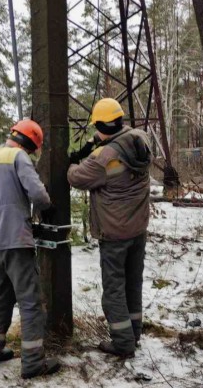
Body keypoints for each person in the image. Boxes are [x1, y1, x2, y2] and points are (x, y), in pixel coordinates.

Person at [67, 98, 152, 358]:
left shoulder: (105, 158)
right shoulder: (141, 141)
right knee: (132, 284)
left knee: (114, 290)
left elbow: (75, 177)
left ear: (103, 125)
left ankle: (123, 343)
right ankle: (133, 333)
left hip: (114, 234)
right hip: (138, 230)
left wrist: (71, 162)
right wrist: (97, 142)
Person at [0, 119, 61, 379]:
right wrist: (49, 206)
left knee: (0, 297)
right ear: (29, 143)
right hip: (16, 240)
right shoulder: (18, 157)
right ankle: (34, 361)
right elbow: (38, 194)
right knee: (30, 302)